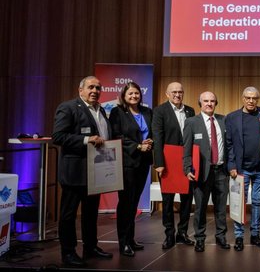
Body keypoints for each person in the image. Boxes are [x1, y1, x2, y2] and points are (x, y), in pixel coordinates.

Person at [52, 76, 113, 267]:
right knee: (69, 214)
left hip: (96, 171)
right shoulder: (68, 107)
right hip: (75, 172)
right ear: (81, 90)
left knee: (91, 213)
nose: (95, 91)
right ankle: (68, 252)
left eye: (98, 88)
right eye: (91, 87)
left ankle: (90, 247)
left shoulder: (101, 110)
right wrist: (86, 140)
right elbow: (58, 136)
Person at [109, 82, 153, 257]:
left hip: (143, 162)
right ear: (124, 95)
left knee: (134, 203)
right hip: (127, 162)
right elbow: (116, 136)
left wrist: (150, 141)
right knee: (126, 203)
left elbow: (152, 133)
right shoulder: (117, 112)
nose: (134, 96)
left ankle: (131, 239)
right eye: (131, 93)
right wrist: (137, 146)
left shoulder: (147, 112)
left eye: (137, 93)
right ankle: (124, 242)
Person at [183, 91, 230, 252]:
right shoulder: (191, 122)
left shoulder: (223, 120)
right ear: (200, 103)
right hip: (202, 172)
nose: (209, 103)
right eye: (206, 101)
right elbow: (186, 148)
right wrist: (187, 168)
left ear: (216, 103)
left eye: (212, 101)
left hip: (222, 171)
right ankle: (200, 238)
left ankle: (221, 236)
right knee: (201, 207)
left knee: (221, 208)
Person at [225, 86, 260, 251]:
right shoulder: (232, 117)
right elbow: (229, 144)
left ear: (258, 99)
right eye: (248, 98)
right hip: (240, 169)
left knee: (257, 202)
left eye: (254, 98)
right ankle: (239, 236)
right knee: (240, 202)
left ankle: (255, 235)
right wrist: (231, 165)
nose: (251, 101)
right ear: (243, 98)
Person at [152, 82, 196, 249]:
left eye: (180, 92)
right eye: (174, 92)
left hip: (186, 161)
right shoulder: (160, 111)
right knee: (168, 201)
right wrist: (159, 163)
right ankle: (169, 234)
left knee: (187, 199)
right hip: (167, 163)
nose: (177, 95)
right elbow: (157, 138)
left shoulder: (190, 110)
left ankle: (182, 233)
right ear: (167, 94)